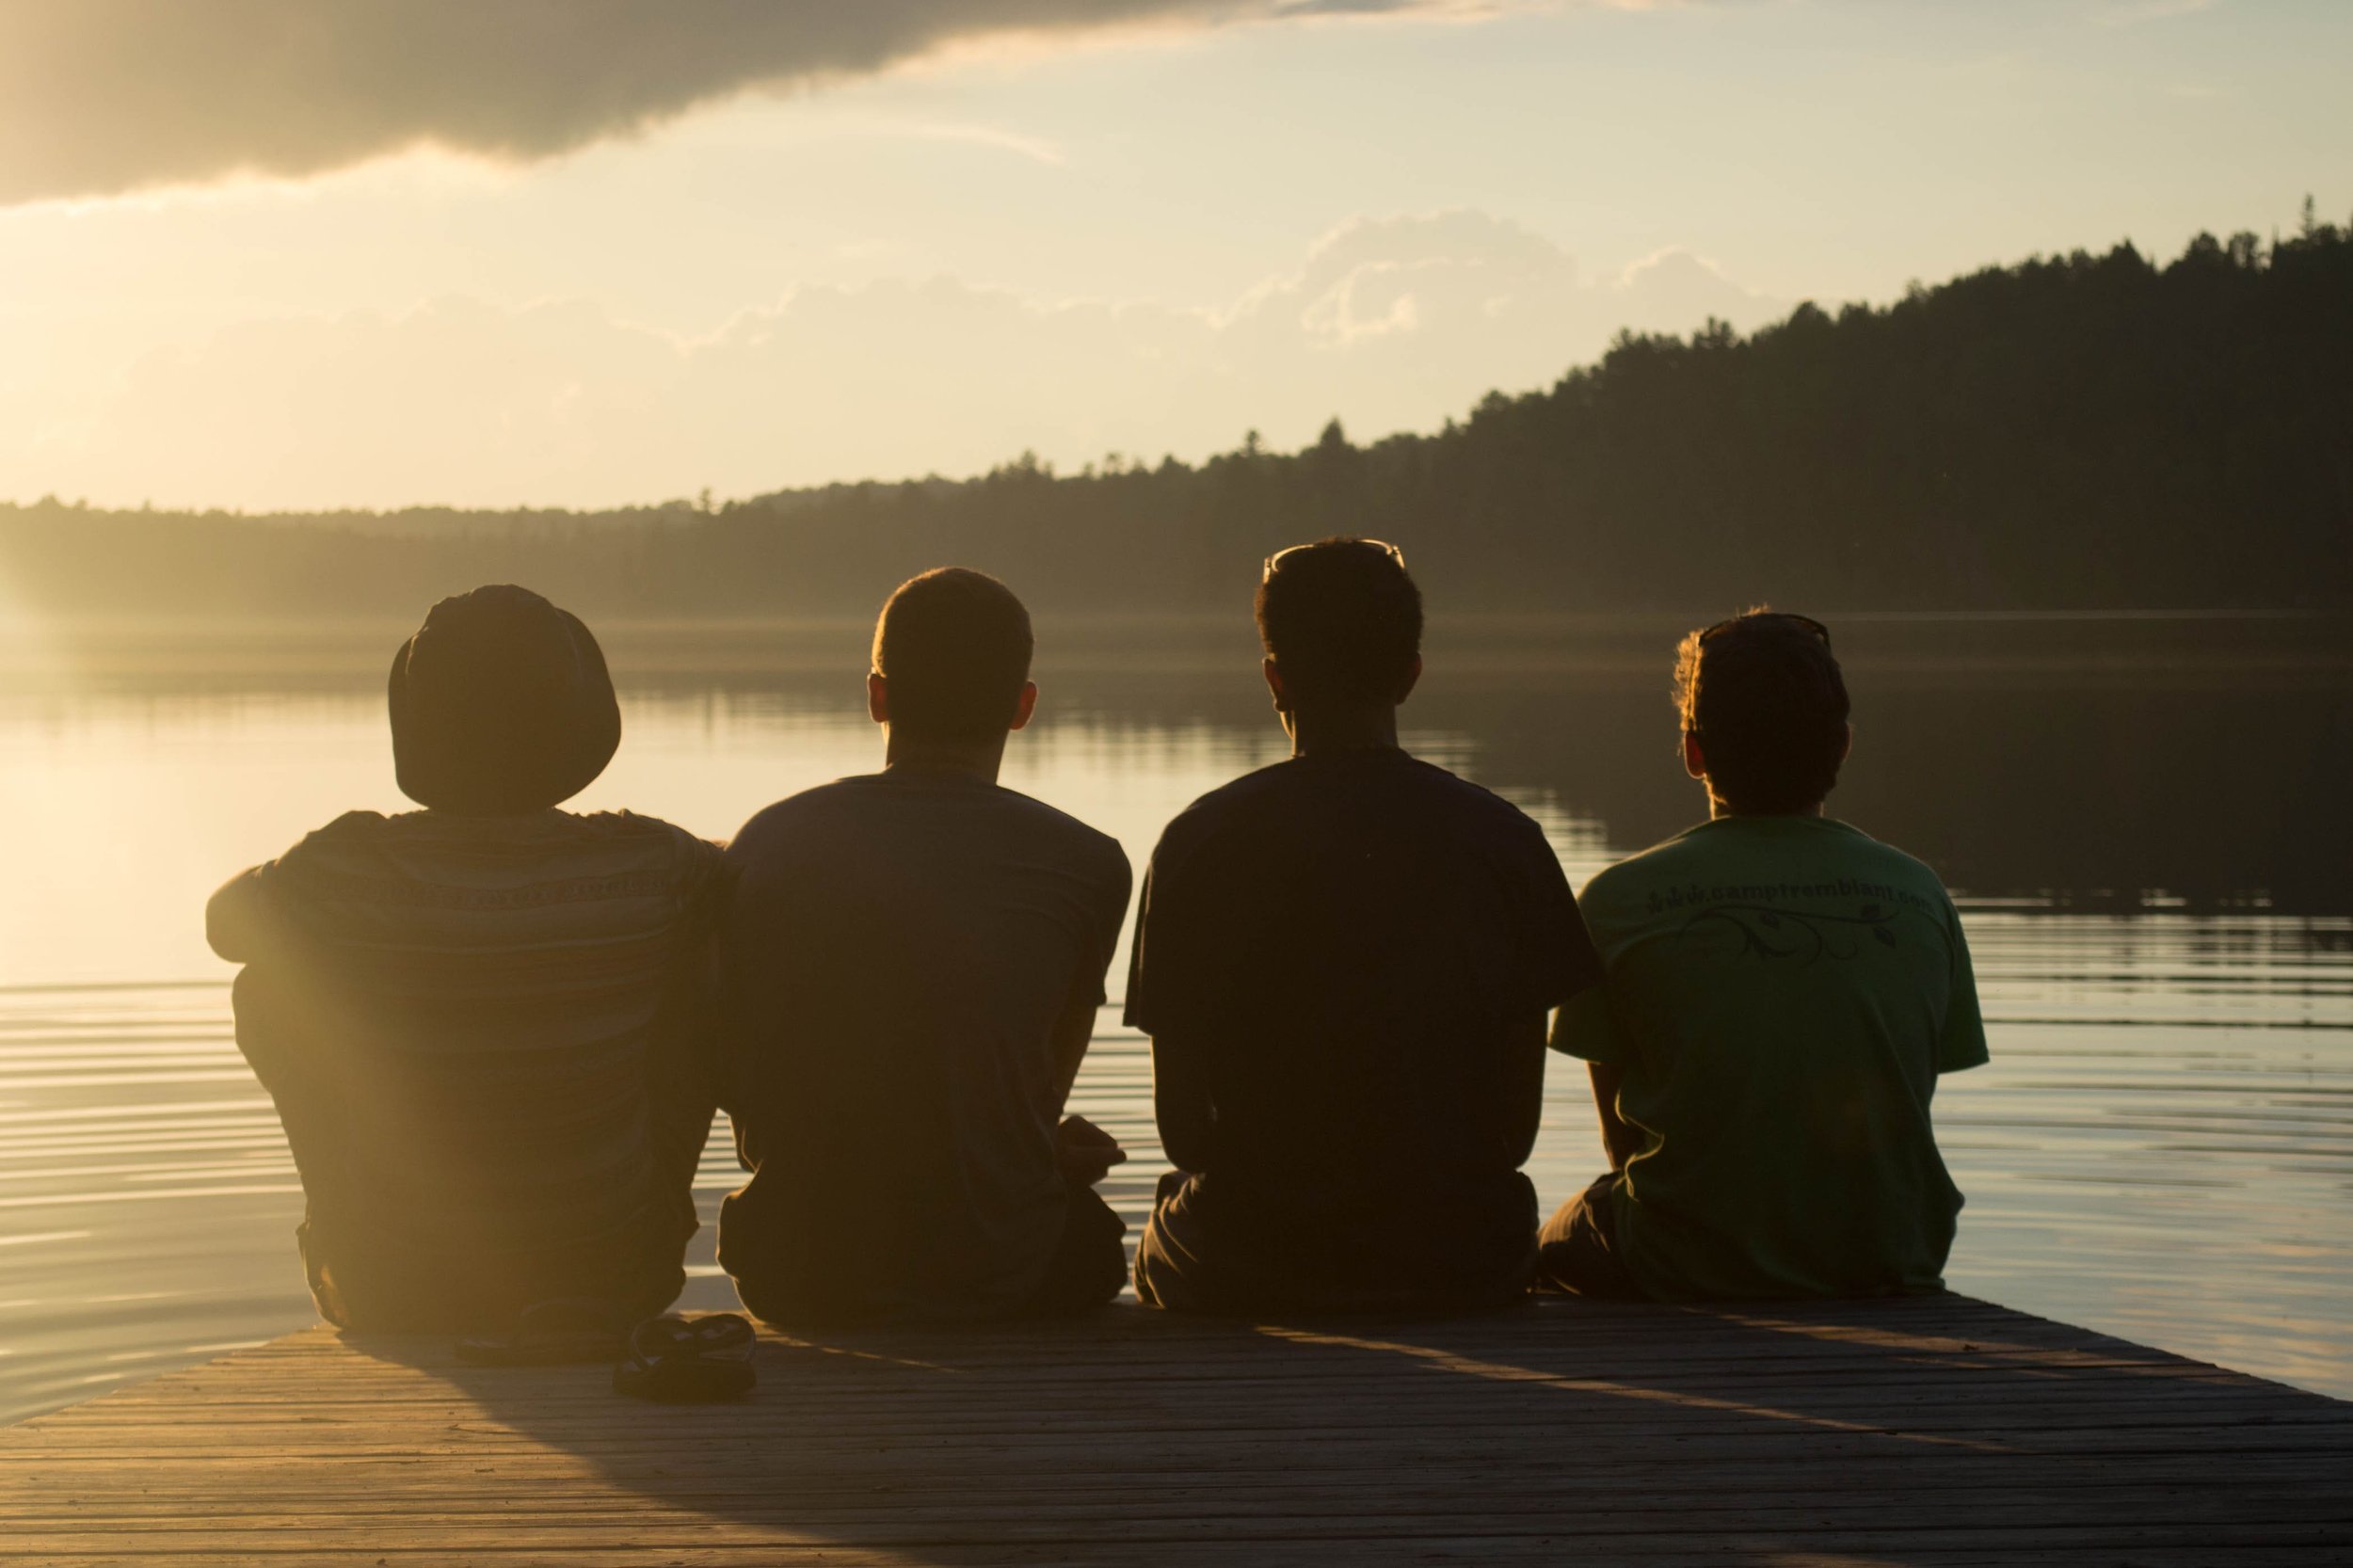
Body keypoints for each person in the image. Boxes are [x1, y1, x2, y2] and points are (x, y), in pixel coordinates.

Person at [206, 585, 726, 1332]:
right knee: (704, 962)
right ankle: (619, 1215)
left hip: (398, 1288)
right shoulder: (654, 866)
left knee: (268, 984)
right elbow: (755, 879)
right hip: (618, 1273)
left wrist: (299, 877)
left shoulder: (346, 867)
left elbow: (225, 927)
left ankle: (352, 1237)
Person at [1127, 538, 1602, 1314]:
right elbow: (1512, 1133)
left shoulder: (1199, 842)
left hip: (1253, 1258)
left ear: (1274, 678)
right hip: (1459, 1258)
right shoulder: (1505, 838)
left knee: (1170, 1212)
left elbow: (1184, 1134)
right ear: (1411, 676)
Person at [716, 568, 1132, 1328]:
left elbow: (745, 1083)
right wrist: (1027, 1149)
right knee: (1096, 1242)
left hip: (797, 1275)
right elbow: (1041, 1096)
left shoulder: (770, 842)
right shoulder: (1088, 862)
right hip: (1004, 1276)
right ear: (1022, 707)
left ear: (876, 695)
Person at [1537, 610, 1989, 1301]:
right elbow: (1909, 1088)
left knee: (1556, 1235)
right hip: (1891, 1259)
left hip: (1683, 1265)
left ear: (1693, 751)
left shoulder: (1619, 900)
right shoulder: (1917, 893)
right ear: (1841, 746)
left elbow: (1622, 1141)